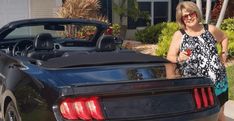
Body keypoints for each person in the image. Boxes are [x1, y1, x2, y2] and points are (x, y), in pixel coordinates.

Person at [167, 1, 228, 121]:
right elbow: (170, 57)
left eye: (192, 13)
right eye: (185, 16)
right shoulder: (179, 35)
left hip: (218, 82)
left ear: (197, 13)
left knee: (220, 114)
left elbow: (224, 37)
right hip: (196, 85)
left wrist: (224, 53)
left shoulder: (209, 29)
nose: (189, 17)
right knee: (200, 116)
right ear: (182, 19)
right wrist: (179, 58)